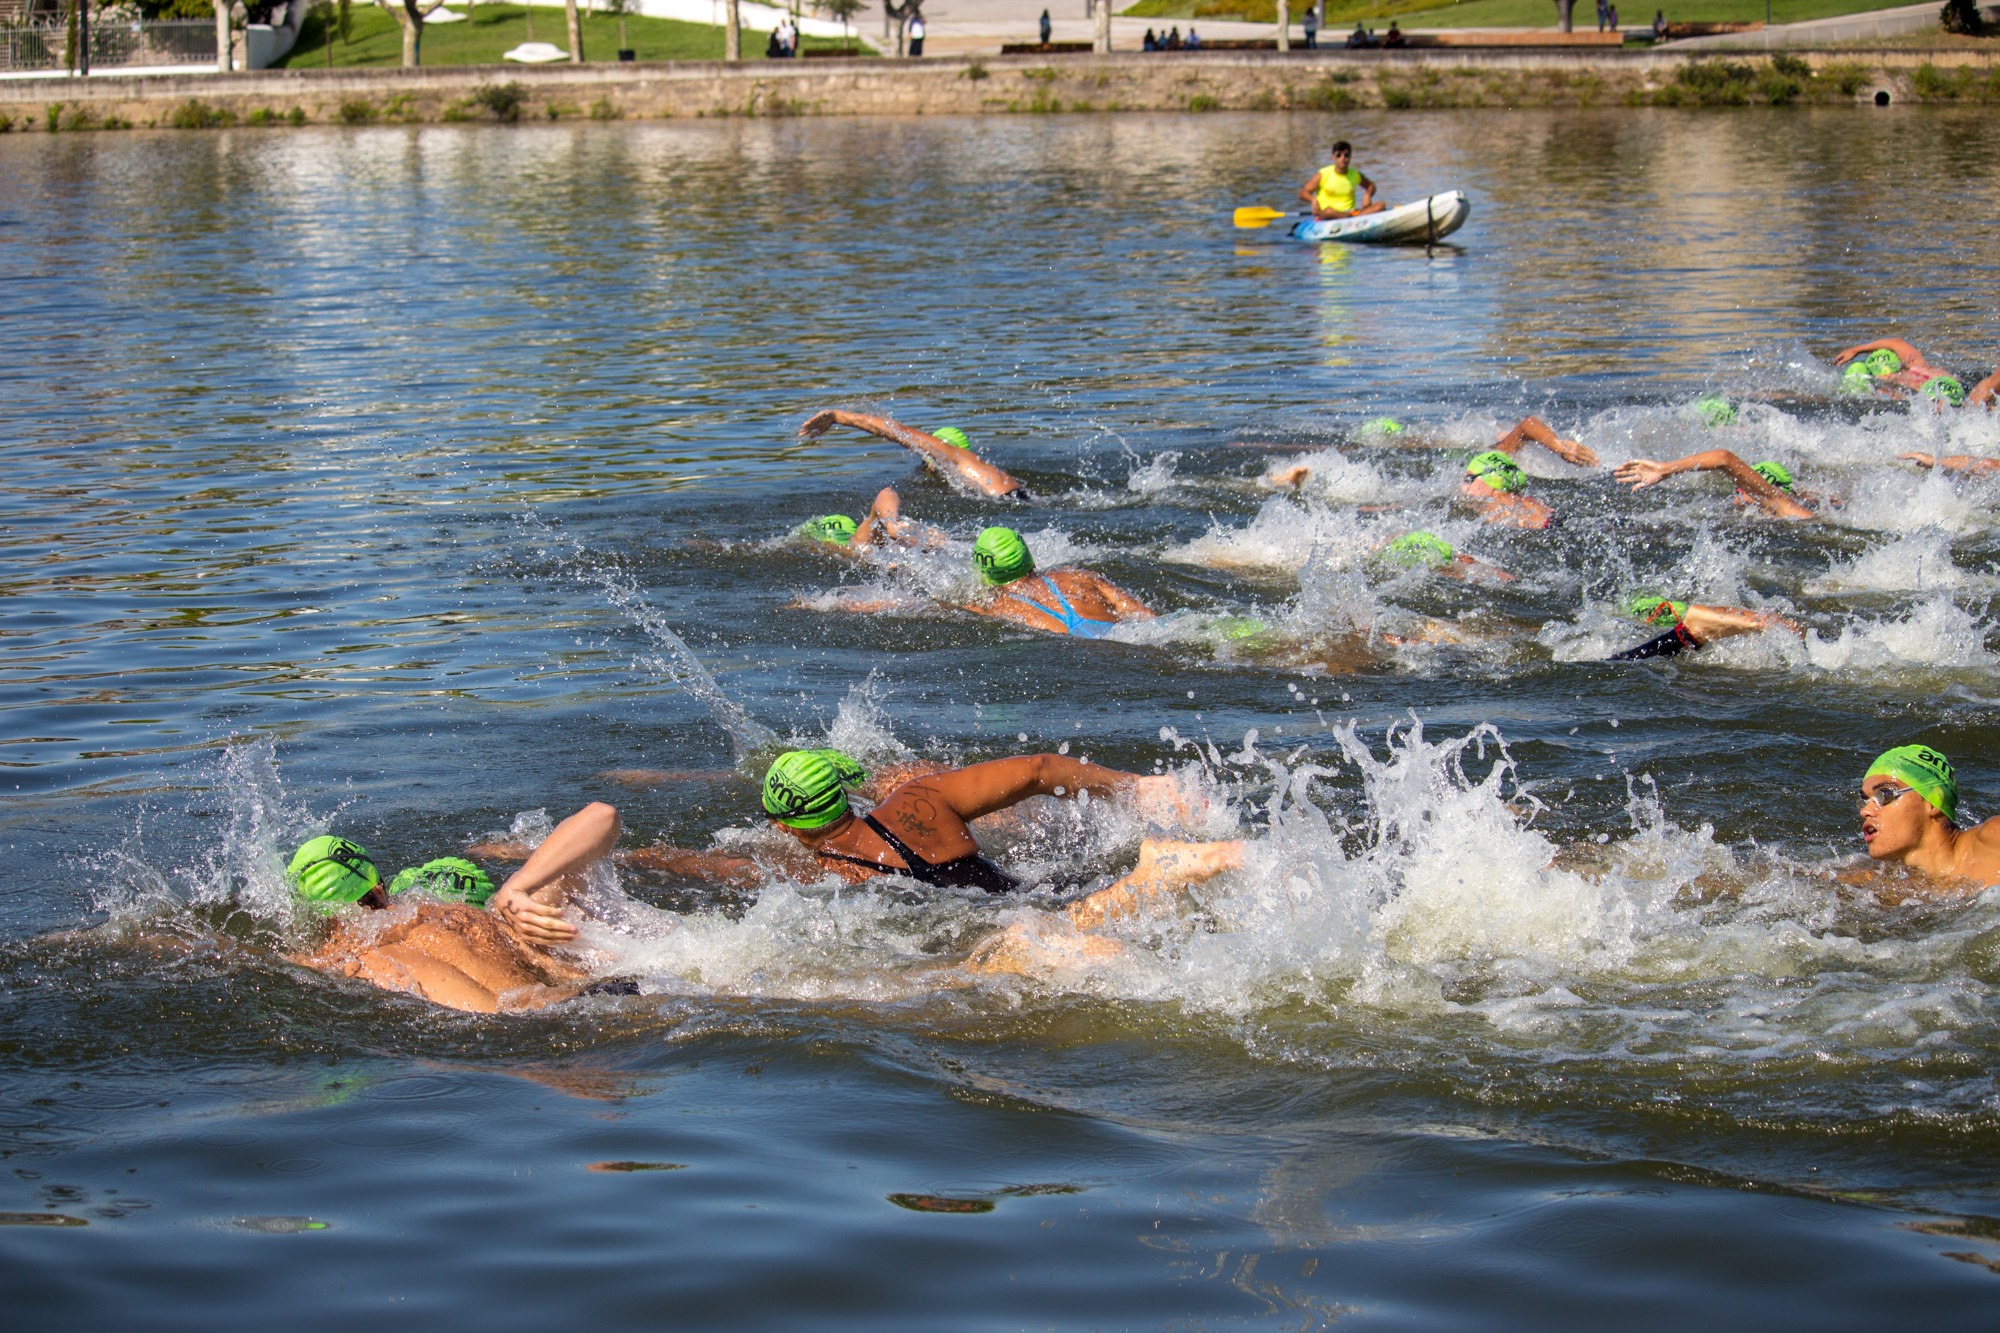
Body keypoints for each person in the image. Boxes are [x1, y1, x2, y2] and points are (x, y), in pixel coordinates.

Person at [756, 748, 1232, 900]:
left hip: (1024, 926)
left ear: (784, 826)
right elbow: (1039, 769)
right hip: (1040, 892)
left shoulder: (829, 878)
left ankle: (1153, 877)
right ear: (842, 793)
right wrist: (1139, 789)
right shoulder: (918, 799)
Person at [286, 802, 623, 1013]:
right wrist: (518, 885)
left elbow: (491, 1015)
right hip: (623, 986)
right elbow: (602, 815)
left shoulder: (360, 959)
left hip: (569, 1016)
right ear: (378, 886)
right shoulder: (472, 917)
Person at [1857, 745, 2000, 896]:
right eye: (1866, 801)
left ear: (1934, 801)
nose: (1865, 811)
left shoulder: (1993, 838)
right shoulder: (1886, 888)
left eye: (1885, 795)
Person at [798, 408, 1029, 501]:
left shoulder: (952, 458)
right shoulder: (982, 469)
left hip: (1006, 503)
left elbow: (900, 433)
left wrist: (840, 417)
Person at [967, 526, 1152, 637]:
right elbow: (1148, 617)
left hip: (1084, 656)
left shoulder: (994, 609)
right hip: (1128, 640)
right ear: (1027, 556)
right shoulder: (1079, 577)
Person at [1613, 448, 1815, 520]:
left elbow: (1724, 458)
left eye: (1744, 490)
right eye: (1737, 490)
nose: (1737, 499)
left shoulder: (1784, 507)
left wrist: (1664, 469)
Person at [1607, 594, 1802, 660]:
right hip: (1685, 630)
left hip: (1686, 631)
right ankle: (1690, 630)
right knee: (1620, 662)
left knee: (1617, 664)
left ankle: (1691, 630)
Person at [1831, 338, 1969, 408]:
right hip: (1955, 390)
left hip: (1928, 399)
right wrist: (1856, 350)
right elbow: (1896, 342)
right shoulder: (1917, 365)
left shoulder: (1885, 387)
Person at [1297, 139, 1385, 221]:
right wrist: (1313, 200)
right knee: (1329, 211)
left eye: (1346, 155)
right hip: (1329, 215)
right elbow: (1303, 193)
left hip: (1351, 213)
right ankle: (1351, 219)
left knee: (1381, 205)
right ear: (1333, 157)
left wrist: (1368, 194)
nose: (1343, 158)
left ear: (1350, 157)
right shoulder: (1323, 174)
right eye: (1338, 155)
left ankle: (1353, 218)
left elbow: (1371, 186)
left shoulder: (1354, 174)